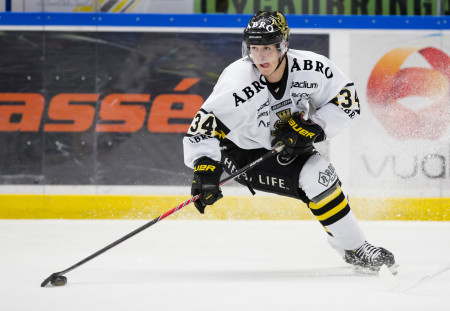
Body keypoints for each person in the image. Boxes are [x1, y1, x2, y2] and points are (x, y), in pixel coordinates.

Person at [183, 11, 397, 274]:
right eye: (254, 48)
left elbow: (347, 100)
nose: (260, 56)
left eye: (267, 48)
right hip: (240, 152)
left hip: (285, 142)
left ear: (283, 45)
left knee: (329, 189)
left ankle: (347, 244)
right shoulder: (238, 81)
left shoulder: (311, 67)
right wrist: (204, 166)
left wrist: (314, 128)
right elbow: (204, 127)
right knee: (320, 179)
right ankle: (356, 248)